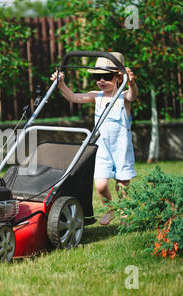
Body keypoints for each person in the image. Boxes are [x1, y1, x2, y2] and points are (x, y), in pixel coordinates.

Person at [50, 52, 138, 225]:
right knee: (101, 185)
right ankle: (110, 208)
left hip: (121, 146)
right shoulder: (96, 95)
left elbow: (133, 95)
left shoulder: (123, 96)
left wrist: (132, 83)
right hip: (102, 147)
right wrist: (60, 84)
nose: (101, 81)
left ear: (119, 77)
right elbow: (73, 97)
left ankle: (126, 212)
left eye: (106, 76)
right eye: (98, 76)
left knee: (122, 184)